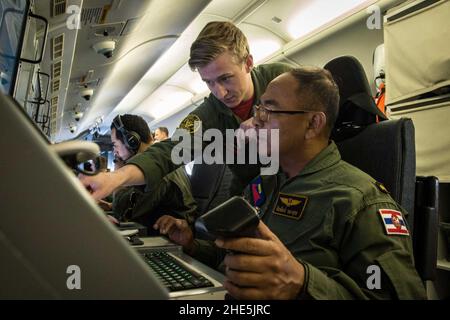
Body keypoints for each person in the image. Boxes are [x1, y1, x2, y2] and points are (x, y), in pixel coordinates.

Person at [154, 67, 427, 300]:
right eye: (259, 108)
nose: (255, 121)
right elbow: (239, 260)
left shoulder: (360, 200)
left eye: (269, 111)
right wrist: (192, 245)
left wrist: (302, 282)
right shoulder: (263, 183)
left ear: (313, 124)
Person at [79, 21, 293, 203]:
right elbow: (168, 152)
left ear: (248, 63)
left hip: (301, 186)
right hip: (252, 197)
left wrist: (266, 119)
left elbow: (322, 120)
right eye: (208, 82)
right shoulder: (209, 114)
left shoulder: (283, 81)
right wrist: (115, 179)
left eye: (226, 78)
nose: (219, 92)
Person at [107, 114, 197, 232]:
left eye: (115, 145)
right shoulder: (152, 163)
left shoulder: (156, 168)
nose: (115, 151)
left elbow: (122, 211)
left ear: (131, 141)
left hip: (173, 241)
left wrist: (118, 174)